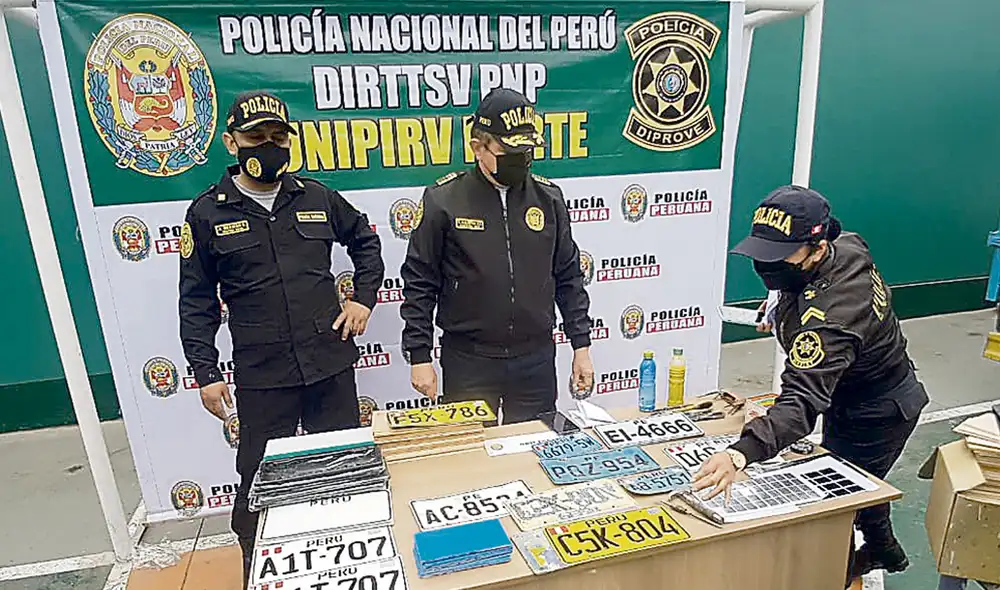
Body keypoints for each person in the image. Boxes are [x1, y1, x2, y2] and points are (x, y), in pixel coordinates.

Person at [178, 90, 384, 586]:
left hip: (328, 365)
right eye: (255, 137)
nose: (267, 146)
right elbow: (197, 300)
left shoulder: (316, 196)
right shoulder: (207, 213)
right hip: (263, 375)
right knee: (256, 487)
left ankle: (356, 570)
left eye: (277, 138)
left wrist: (363, 299)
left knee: (344, 476)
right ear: (231, 142)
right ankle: (259, 575)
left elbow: (367, 242)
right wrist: (205, 373)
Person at [692, 185, 929, 583]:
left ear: (817, 249)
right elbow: (811, 278)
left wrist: (741, 453)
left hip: (878, 409)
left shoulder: (831, 321)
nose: (767, 267)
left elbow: (801, 403)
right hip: (851, 391)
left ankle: (850, 567)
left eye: (779, 259)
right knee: (857, 481)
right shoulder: (846, 245)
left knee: (838, 498)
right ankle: (886, 549)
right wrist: (783, 300)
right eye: (761, 254)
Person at [399, 88, 595, 423]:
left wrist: (582, 346)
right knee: (472, 462)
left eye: (527, 149)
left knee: (536, 455)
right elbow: (420, 281)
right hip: (469, 361)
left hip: (535, 359)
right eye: (509, 150)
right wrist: (419, 355)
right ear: (478, 147)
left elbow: (568, 277)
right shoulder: (443, 200)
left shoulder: (549, 199)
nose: (521, 158)